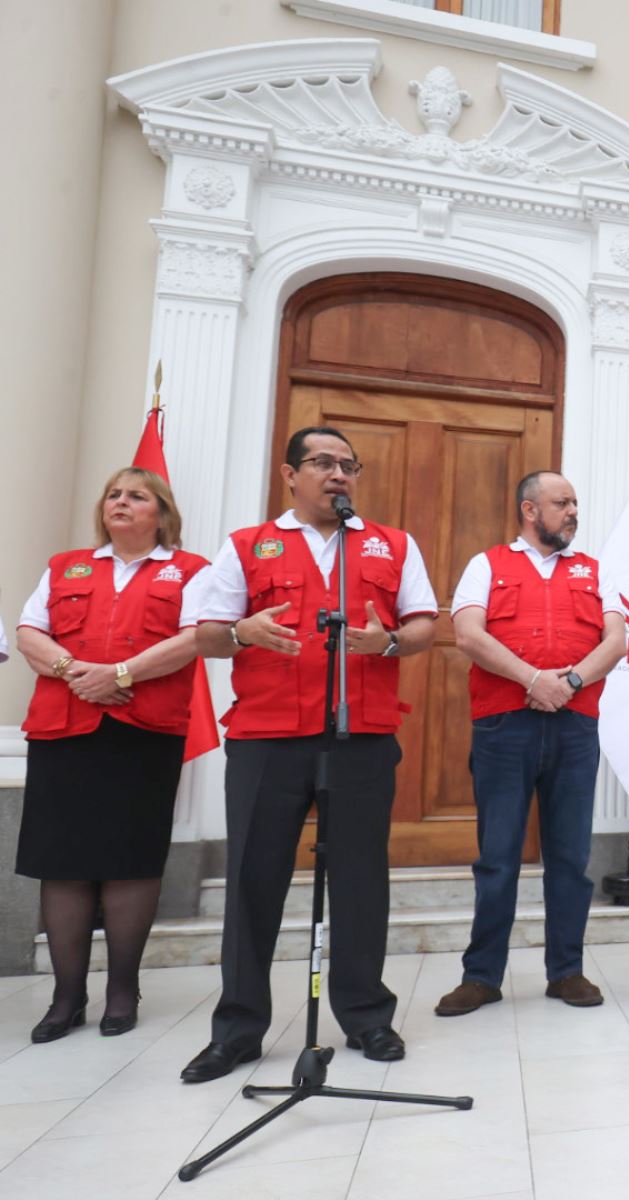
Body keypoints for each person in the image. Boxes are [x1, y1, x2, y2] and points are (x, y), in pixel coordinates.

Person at [176, 426, 438, 1083]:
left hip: (361, 735)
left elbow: (424, 625)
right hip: (267, 738)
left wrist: (388, 643)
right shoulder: (247, 545)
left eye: (348, 464)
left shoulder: (390, 544)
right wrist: (243, 631)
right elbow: (205, 635)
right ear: (290, 475)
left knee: (360, 878)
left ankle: (367, 1016)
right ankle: (238, 1030)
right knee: (252, 878)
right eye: (322, 462)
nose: (338, 474)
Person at [13, 468, 207, 1041]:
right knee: (62, 861)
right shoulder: (65, 566)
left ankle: (123, 989)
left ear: (161, 513)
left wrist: (120, 673)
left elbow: (193, 639)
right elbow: (29, 634)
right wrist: (77, 671)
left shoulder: (190, 570)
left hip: (143, 732)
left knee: (131, 860)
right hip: (64, 729)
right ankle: (66, 996)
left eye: (136, 496)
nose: (121, 502)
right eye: (114, 495)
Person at [435, 472, 627, 1017]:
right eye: (561, 503)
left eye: (575, 503)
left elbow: (617, 640)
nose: (573, 512)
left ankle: (567, 971)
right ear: (529, 510)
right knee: (497, 856)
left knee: (570, 856)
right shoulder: (487, 565)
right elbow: (468, 634)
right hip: (505, 728)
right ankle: (481, 977)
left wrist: (569, 682)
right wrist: (533, 679)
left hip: (575, 726)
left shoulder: (596, 570)